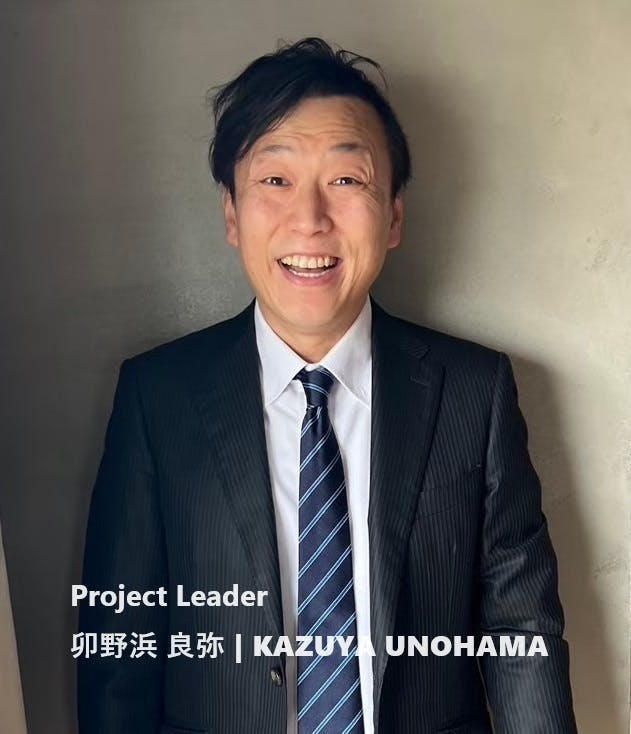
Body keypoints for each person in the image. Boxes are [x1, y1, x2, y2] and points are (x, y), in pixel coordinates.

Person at [77, 37, 578, 734]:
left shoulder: (475, 390)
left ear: (393, 215)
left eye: (346, 180)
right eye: (274, 180)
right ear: (231, 214)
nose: (309, 219)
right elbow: (119, 648)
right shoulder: (156, 397)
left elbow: (520, 633)